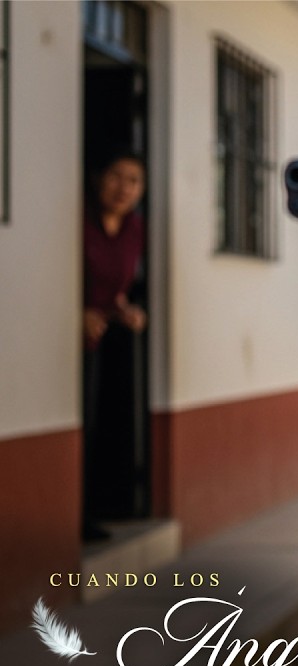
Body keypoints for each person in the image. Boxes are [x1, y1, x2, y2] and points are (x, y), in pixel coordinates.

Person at [82, 150, 148, 540]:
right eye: (116, 176)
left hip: (105, 336)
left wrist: (126, 309)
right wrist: (78, 310)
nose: (123, 188)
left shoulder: (135, 229)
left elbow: (119, 284)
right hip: (64, 338)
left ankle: (97, 509)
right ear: (97, 179)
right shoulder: (80, 221)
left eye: (134, 180)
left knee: (100, 421)